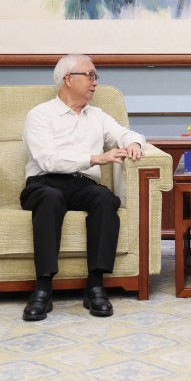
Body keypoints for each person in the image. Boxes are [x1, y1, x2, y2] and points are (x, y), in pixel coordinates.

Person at [19, 54, 144, 321]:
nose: (95, 82)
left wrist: (133, 143)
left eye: (95, 77)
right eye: (90, 75)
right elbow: (47, 159)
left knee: (104, 199)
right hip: (44, 182)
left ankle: (95, 286)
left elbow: (125, 133)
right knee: (51, 198)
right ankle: (42, 289)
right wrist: (95, 159)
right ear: (68, 79)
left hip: (83, 183)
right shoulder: (40, 115)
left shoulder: (97, 116)